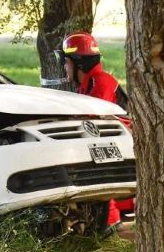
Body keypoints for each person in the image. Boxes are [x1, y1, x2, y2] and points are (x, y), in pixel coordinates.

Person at [55, 32, 134, 228]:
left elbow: (92, 120)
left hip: (122, 145)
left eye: (67, 62)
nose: (65, 67)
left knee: (95, 168)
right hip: (115, 143)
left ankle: (110, 223)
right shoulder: (87, 85)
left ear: (79, 64)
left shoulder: (101, 82)